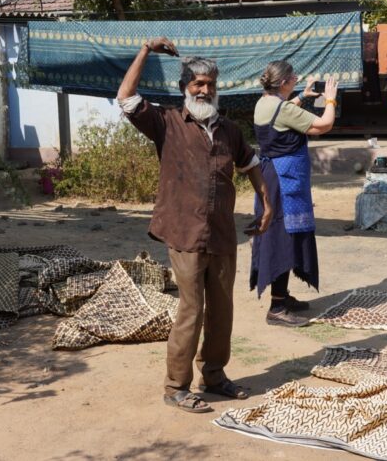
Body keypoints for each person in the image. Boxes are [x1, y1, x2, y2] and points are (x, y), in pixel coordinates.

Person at [117, 37, 273, 414]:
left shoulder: (229, 130)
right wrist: (145, 50)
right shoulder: (166, 122)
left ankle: (214, 376)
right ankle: (176, 387)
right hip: (184, 232)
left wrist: (267, 204)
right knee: (192, 309)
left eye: (210, 84)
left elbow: (251, 165)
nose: (204, 90)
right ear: (184, 87)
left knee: (222, 310)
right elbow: (126, 97)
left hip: (221, 234)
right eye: (197, 83)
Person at [251, 61, 339, 327]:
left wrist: (302, 96)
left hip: (272, 176)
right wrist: (330, 100)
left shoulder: (264, 103)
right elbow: (324, 125)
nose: (297, 79)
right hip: (284, 181)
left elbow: (282, 114)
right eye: (293, 77)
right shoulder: (284, 109)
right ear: (283, 82)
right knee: (284, 238)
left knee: (283, 234)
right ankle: (277, 308)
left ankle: (282, 296)